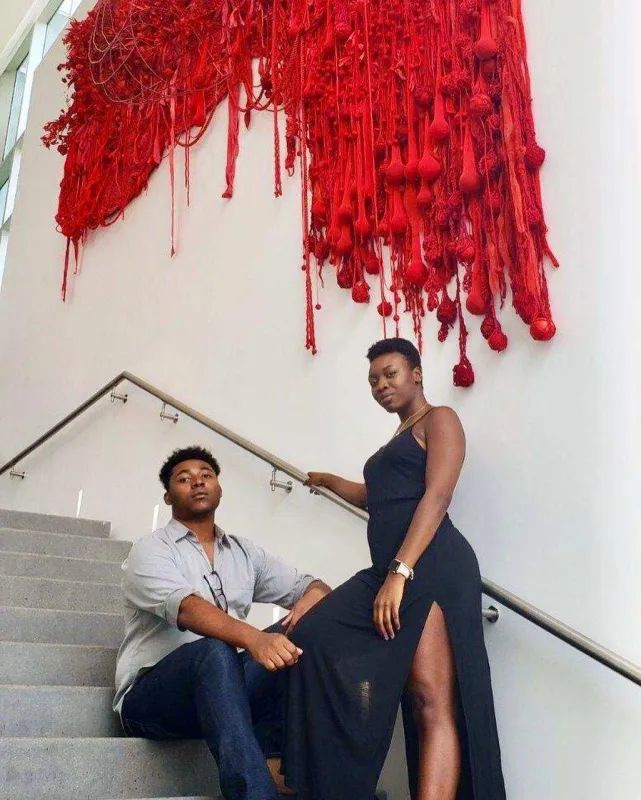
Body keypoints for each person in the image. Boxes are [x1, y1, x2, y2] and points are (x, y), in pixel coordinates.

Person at [283, 338, 506, 800]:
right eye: (372, 380)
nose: (381, 385)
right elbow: (374, 497)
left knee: (431, 701)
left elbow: (437, 496)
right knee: (312, 636)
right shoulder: (399, 436)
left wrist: (400, 572)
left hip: (431, 568)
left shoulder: (440, 419)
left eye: (390, 374)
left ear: (417, 373)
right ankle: (331, 777)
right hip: (391, 569)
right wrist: (327, 481)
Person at [113, 445, 331, 800]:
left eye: (206, 475)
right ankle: (254, 793)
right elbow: (187, 609)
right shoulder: (149, 550)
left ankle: (277, 764)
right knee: (214, 651)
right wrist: (256, 640)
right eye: (184, 479)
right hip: (151, 700)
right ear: (168, 497)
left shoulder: (244, 553)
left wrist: (311, 597)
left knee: (303, 629)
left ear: (219, 489)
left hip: (221, 693)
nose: (197, 482)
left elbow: (312, 585)